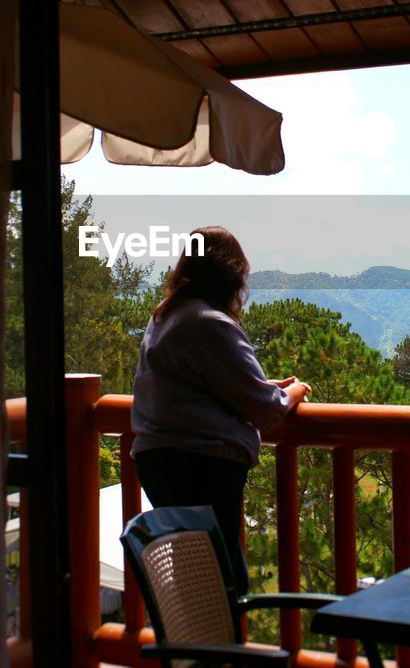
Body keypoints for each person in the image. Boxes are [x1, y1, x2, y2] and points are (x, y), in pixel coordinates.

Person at [131, 226, 311, 594]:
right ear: (230, 275)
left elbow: (202, 383)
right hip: (202, 465)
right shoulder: (209, 322)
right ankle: (222, 649)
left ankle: (193, 644)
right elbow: (263, 409)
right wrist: (293, 392)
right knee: (223, 577)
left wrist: (264, 386)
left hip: (158, 461)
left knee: (191, 577)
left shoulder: (166, 317)